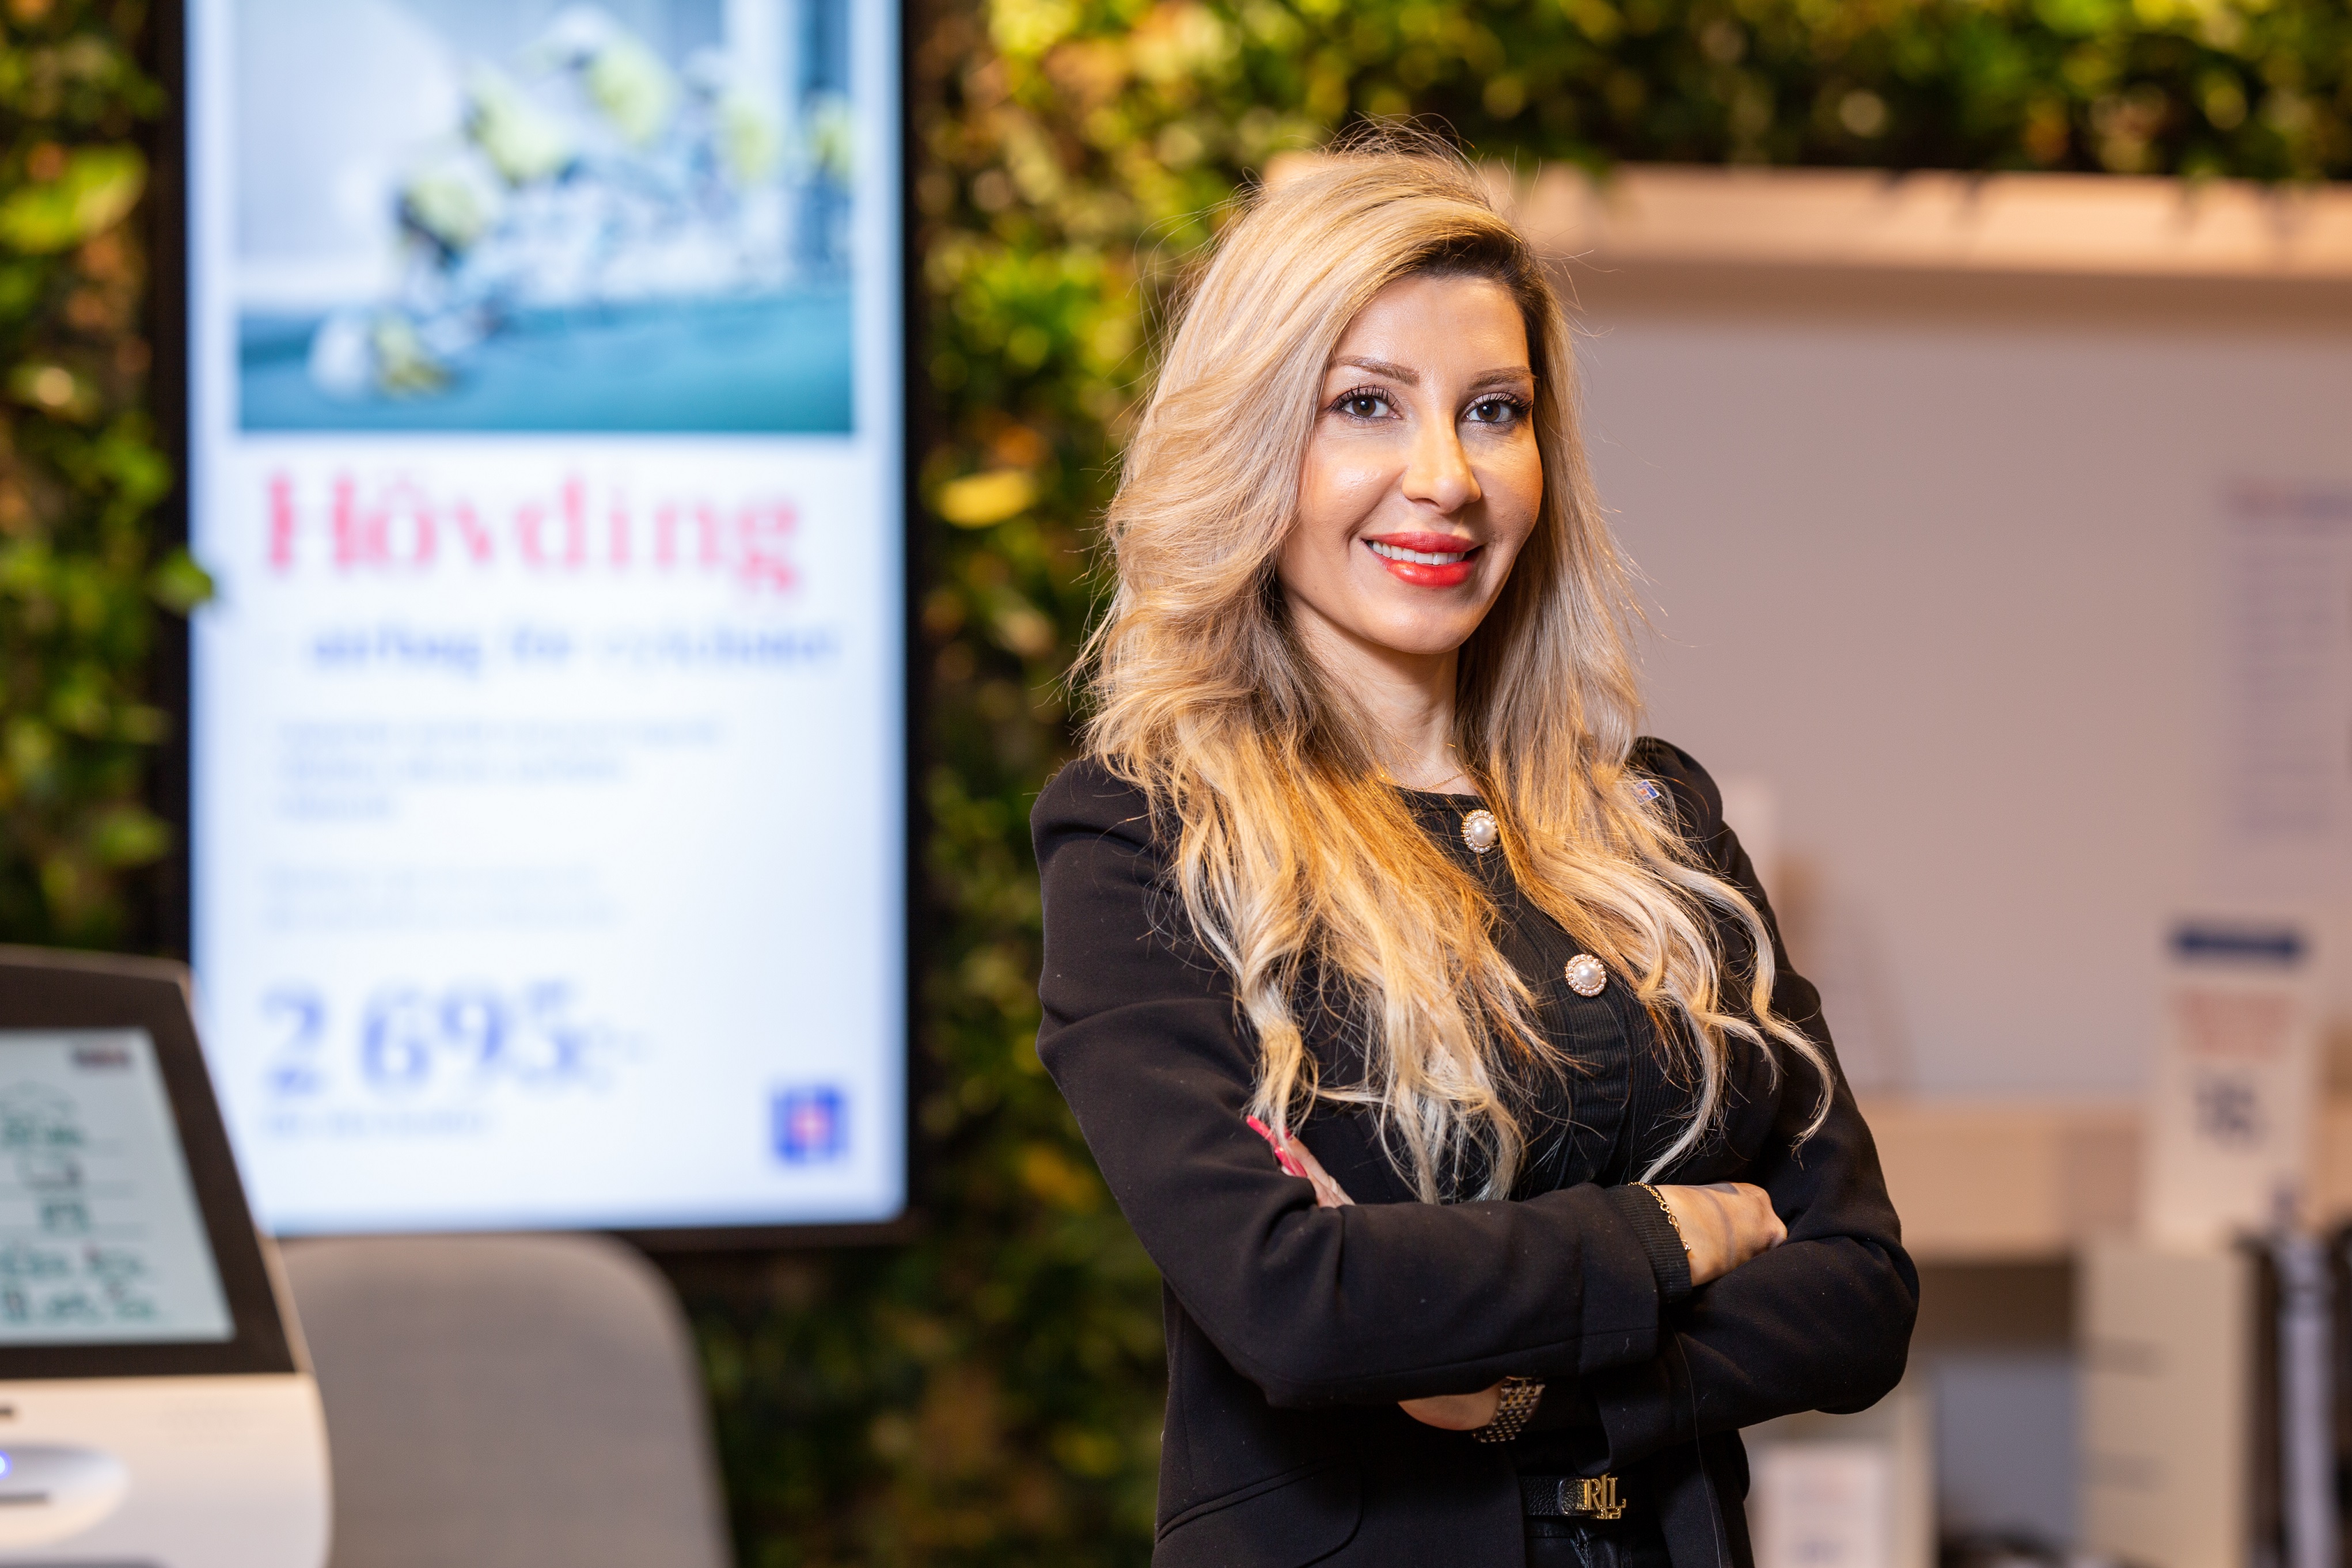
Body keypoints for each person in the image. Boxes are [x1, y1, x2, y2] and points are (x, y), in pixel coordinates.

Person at [1030, 139, 1916, 1568]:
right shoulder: (1147, 838)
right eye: (1364, 406)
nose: (1444, 477)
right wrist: (1673, 1236)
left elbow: (1859, 1290)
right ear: (1254, 442)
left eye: (1492, 411)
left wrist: (1523, 1396)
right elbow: (1295, 1304)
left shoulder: (1654, 823)